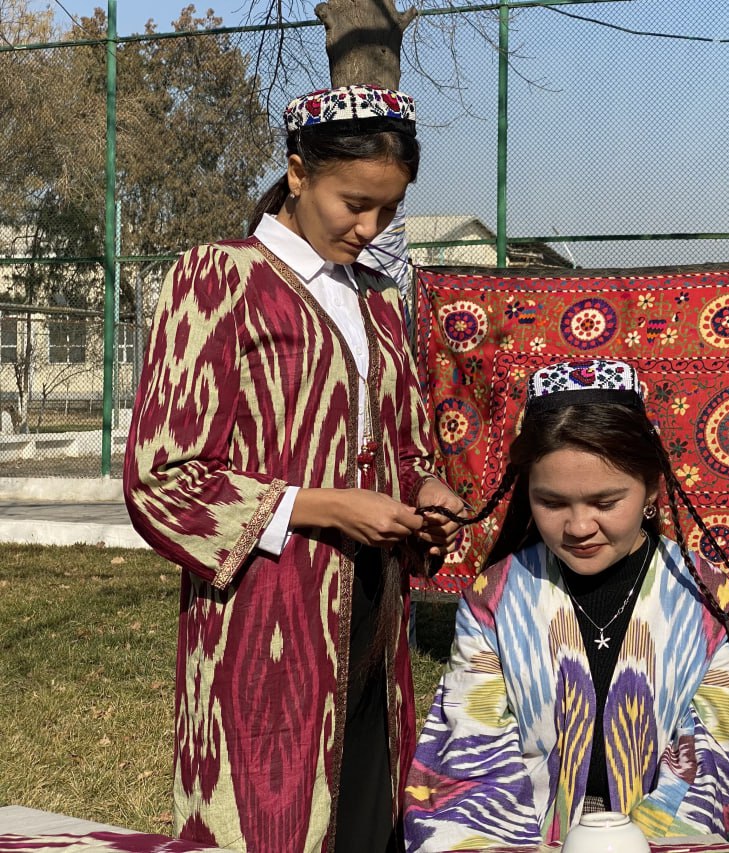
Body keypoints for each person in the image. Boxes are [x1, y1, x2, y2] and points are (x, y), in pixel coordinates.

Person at [124, 84, 464, 853]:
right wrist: (319, 507)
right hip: (262, 614)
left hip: (375, 609)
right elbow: (161, 476)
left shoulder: (376, 297)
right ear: (298, 172)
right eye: (353, 202)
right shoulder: (219, 279)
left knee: (367, 808)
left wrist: (424, 488)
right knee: (269, 817)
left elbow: (401, 443)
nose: (368, 226)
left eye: (387, 208)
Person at [402, 358, 729, 851]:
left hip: (666, 838)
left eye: (604, 502)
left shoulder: (709, 600)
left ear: (652, 488)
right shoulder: (495, 598)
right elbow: (474, 750)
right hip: (517, 838)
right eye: (551, 503)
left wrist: (627, 841)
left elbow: (711, 760)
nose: (577, 527)